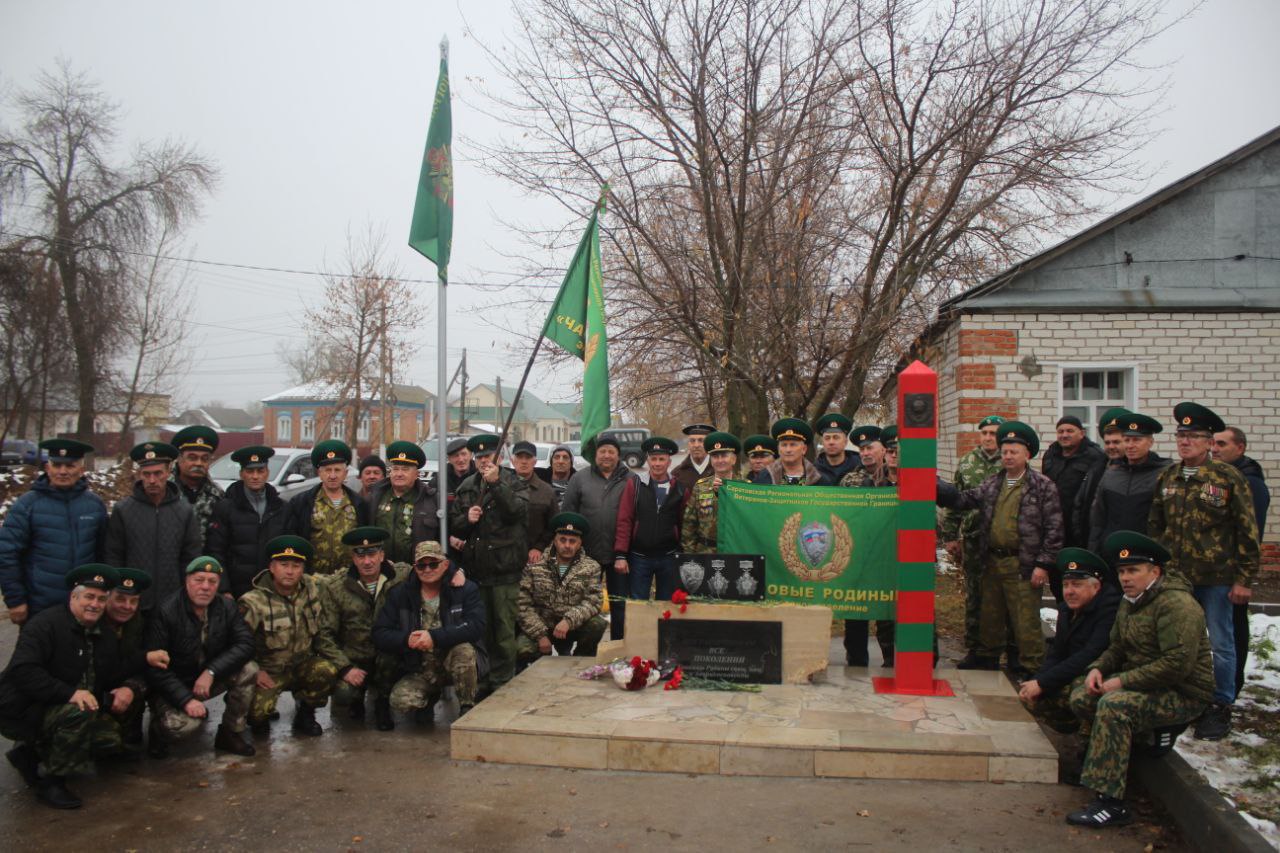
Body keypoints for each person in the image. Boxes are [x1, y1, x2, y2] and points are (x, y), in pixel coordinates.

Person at [1066, 532, 1214, 828]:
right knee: (1082, 695)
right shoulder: (1132, 601)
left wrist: (1121, 682)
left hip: (1183, 692)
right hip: (1149, 685)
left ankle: (1111, 803)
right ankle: (1105, 761)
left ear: (1155, 572)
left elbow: (1176, 665)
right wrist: (1098, 668)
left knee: (1114, 706)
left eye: (1134, 570)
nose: (1125, 578)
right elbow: (1118, 646)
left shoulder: (1176, 604)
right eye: (1121, 571)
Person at [1147, 402, 1260, 740]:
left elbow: (1247, 530)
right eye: (1182, 436)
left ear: (1210, 442)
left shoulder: (1228, 478)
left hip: (1216, 578)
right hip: (1177, 578)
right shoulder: (1168, 477)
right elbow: (1155, 527)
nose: (1186, 442)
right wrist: (1155, 568)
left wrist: (1244, 578)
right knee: (1177, 640)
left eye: (1194, 436)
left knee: (1221, 643)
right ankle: (1183, 698)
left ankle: (1220, 705)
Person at [0, 566, 141, 809]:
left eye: (101, 599)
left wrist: (131, 683)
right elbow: (23, 671)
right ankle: (52, 782)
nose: (94, 604)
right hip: (23, 710)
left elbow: (113, 671)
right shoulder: (45, 625)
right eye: (88, 597)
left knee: (108, 740)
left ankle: (32, 753)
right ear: (73, 597)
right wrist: (70, 693)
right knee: (80, 710)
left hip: (62, 708)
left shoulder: (103, 633)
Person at [936, 422, 1062, 676]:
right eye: (1004, 452)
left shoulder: (1042, 485)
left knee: (1025, 620)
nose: (1007, 456)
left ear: (1027, 454)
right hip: (992, 561)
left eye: (1013, 452)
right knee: (989, 615)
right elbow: (965, 499)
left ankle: (1031, 668)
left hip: (1023, 564)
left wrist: (1043, 564)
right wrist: (937, 486)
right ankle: (987, 658)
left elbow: (1054, 529)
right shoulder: (994, 483)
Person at [144, 556, 257, 758]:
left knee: (249, 669)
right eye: (199, 580)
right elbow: (155, 669)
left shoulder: (227, 607)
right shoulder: (166, 611)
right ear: (187, 581)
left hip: (207, 677)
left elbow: (246, 644)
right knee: (181, 727)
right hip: (174, 685)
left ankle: (230, 733)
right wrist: (186, 700)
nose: (205, 587)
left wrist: (211, 671)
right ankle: (158, 731)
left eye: (212, 581)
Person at [373, 540, 486, 722]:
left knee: (464, 650)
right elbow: (380, 632)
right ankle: (429, 698)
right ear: (414, 567)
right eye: (421, 565)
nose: (427, 570)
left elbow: (476, 625)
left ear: (445, 564)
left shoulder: (465, 589)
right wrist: (406, 639)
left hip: (452, 661)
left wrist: (434, 637)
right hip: (419, 667)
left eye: (433, 564)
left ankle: (466, 705)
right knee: (400, 701)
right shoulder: (400, 594)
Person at [450, 433, 528, 694]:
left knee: (504, 631)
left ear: (500, 457)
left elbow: (517, 511)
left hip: (505, 571)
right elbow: (454, 528)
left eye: (489, 456)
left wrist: (496, 485)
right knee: (479, 632)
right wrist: (466, 520)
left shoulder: (512, 481)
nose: (484, 461)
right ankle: (482, 678)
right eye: (480, 457)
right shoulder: (466, 488)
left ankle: (503, 681)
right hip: (476, 573)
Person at [238, 535, 340, 737]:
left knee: (326, 671)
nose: (290, 571)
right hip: (270, 672)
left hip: (301, 665)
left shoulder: (312, 588)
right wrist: (255, 671)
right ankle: (261, 718)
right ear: (272, 567)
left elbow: (339, 580)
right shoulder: (252, 602)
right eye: (284, 564)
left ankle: (305, 712)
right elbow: (236, 645)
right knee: (256, 714)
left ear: (303, 569)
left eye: (296, 565)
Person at [0, 438, 106, 626]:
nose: (63, 471)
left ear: (81, 470)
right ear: (48, 468)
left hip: (83, 608)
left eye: (70, 466)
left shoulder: (94, 506)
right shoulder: (27, 505)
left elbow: (103, 554)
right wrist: (16, 600)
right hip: (39, 607)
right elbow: (7, 553)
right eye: (57, 465)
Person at [1017, 547, 1119, 733]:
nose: (1069, 591)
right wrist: (1039, 680)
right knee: (1030, 695)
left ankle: (1091, 735)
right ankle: (1076, 727)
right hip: (1075, 670)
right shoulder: (1066, 610)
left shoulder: (1110, 610)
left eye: (1077, 585)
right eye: (1066, 585)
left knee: (1073, 695)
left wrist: (1043, 683)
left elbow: (1089, 654)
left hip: (1101, 674)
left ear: (1096, 587)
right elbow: (1056, 652)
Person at [318, 527, 410, 731]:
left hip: (389, 657)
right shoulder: (336, 587)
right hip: (355, 659)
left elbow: (430, 569)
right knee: (343, 695)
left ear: (382, 555)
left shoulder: (399, 576)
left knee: (392, 662)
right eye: (360, 556)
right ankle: (356, 699)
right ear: (353, 557)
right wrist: (345, 668)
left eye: (372, 554)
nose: (367, 562)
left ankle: (383, 703)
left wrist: (456, 571)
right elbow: (324, 634)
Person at [940, 416, 1006, 668]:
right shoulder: (967, 462)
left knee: (1003, 596)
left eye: (994, 433)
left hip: (1002, 539)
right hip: (973, 538)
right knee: (975, 595)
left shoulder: (1010, 460)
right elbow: (955, 501)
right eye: (985, 433)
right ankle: (975, 649)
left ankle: (1004, 649)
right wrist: (950, 536)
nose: (989, 438)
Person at [104, 442, 201, 610]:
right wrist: (119, 591)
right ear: (139, 474)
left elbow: (191, 557)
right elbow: (113, 555)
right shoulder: (123, 510)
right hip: (132, 601)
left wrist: (186, 594)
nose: (152, 480)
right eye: (146, 474)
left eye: (158, 473)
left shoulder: (184, 511)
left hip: (173, 601)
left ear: (168, 472)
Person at [1213, 426, 1270, 699]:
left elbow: (1251, 533)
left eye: (1222, 444)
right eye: (1213, 443)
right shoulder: (1217, 478)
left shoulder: (1251, 482)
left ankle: (1230, 690)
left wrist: (1243, 578)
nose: (1215, 449)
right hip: (1211, 571)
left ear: (1240, 448)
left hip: (1232, 574)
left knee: (1231, 634)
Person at [561, 434, 633, 640]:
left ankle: (619, 645)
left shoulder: (630, 479)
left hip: (619, 555)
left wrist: (626, 552)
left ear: (618, 455)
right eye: (602, 451)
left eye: (611, 452)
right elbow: (568, 514)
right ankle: (585, 650)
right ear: (596, 454)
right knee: (582, 603)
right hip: (586, 555)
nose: (606, 456)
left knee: (620, 604)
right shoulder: (580, 478)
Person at [839, 426, 899, 667]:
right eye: (861, 449)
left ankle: (893, 658)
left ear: (883, 450)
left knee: (889, 608)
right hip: (861, 554)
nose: (865, 453)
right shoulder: (853, 480)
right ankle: (856, 658)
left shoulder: (904, 478)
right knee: (855, 607)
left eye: (869, 447)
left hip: (893, 554)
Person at [518, 512, 607, 664]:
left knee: (597, 625)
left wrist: (569, 620)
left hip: (572, 626)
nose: (567, 545)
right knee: (522, 649)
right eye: (563, 540)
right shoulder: (536, 565)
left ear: (580, 543)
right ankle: (537, 668)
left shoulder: (591, 567)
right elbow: (522, 603)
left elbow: (594, 601)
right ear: (555, 540)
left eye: (572, 541)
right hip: (543, 625)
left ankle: (581, 663)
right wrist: (540, 635)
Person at [1086, 413, 1171, 560]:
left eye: (1137, 440)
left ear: (1150, 442)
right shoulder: (1111, 474)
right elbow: (1098, 520)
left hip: (1146, 556)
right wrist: (1094, 553)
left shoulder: (1165, 474)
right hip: (1112, 554)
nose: (1131, 445)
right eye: (1127, 440)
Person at [206, 445, 287, 598]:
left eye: (260, 471)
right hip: (237, 591)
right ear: (241, 474)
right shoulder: (225, 508)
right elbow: (216, 551)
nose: (255, 476)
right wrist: (224, 589)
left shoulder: (281, 508)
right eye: (250, 471)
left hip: (273, 591)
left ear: (267, 473)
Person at [284, 439, 368, 576]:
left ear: (345, 473)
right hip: (313, 578)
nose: (333, 476)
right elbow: (294, 540)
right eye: (328, 470)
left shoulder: (359, 504)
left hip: (347, 579)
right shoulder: (302, 503)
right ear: (319, 473)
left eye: (337, 470)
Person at [615, 436, 685, 601]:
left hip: (669, 556)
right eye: (653, 459)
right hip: (640, 557)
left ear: (669, 461)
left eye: (662, 459)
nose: (657, 463)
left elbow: (684, 523)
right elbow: (624, 519)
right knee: (638, 604)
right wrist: (620, 555)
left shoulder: (680, 489)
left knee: (666, 605)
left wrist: (683, 554)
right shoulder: (635, 485)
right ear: (647, 460)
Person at [101, 567, 161, 745]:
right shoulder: (92, 622)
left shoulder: (142, 625)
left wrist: (130, 688)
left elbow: (149, 670)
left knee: (127, 748)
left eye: (133, 601)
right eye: (120, 599)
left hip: (126, 695)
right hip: (93, 695)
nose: (127, 607)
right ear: (107, 596)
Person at [1041, 416, 1106, 561]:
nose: (1064, 435)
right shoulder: (1050, 455)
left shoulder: (1095, 456)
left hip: (1081, 527)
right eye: (1061, 431)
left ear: (1082, 433)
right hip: (1054, 526)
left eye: (1070, 431)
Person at [370, 441, 441, 564]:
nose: (399, 474)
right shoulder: (375, 497)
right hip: (381, 569)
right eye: (395, 469)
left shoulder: (431, 500)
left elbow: (444, 539)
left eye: (405, 469)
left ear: (416, 474)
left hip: (418, 570)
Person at [1072, 409, 1129, 557]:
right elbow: (1081, 504)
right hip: (1095, 546)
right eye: (1107, 442)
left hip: (1124, 549)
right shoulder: (1097, 467)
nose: (1111, 447)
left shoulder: (1138, 472)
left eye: (1117, 442)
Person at [680, 433, 743, 555]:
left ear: (734, 459)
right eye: (715, 456)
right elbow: (689, 524)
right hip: (705, 552)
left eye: (724, 456)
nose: (719, 460)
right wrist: (689, 555)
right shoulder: (700, 487)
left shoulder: (745, 487)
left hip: (735, 552)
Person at [170, 425, 225, 548]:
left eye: (204, 458)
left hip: (205, 564)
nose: (199, 463)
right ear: (179, 459)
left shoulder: (217, 495)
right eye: (192, 457)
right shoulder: (165, 491)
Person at [512, 440, 558, 567]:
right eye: (520, 457)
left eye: (528, 457)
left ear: (535, 461)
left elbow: (553, 525)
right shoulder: (502, 487)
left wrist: (539, 547)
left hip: (535, 558)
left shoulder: (547, 491)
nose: (524, 461)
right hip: (506, 557)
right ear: (513, 461)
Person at [754, 418, 821, 485]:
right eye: (784, 445)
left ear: (804, 449)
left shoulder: (818, 479)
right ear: (778, 449)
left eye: (793, 445)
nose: (788, 450)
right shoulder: (764, 477)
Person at [440, 437, 475, 557]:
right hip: (448, 544)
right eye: (455, 455)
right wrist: (449, 536)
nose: (461, 459)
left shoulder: (481, 478)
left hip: (476, 543)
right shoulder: (440, 481)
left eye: (464, 454)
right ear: (449, 459)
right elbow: (435, 514)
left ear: (471, 455)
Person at [813, 413, 860, 485]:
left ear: (845, 442)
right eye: (827, 438)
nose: (831, 442)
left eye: (836, 437)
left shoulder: (859, 467)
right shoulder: (813, 472)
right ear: (823, 442)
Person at [671, 423, 716, 493]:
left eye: (701, 440)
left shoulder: (718, 470)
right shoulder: (677, 473)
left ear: (709, 444)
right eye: (692, 441)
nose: (696, 445)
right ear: (688, 444)